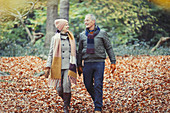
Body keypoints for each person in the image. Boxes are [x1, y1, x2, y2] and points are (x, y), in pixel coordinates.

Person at [77, 14, 116, 113]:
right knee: (88, 84)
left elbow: (109, 47)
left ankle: (98, 107)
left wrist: (113, 61)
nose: (85, 22)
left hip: (99, 62)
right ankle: (98, 100)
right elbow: (79, 51)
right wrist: (79, 65)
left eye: (88, 20)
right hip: (87, 63)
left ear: (93, 22)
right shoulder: (82, 35)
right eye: (85, 20)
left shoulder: (102, 33)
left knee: (98, 84)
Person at [45, 19, 77, 113]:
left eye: (67, 25)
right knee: (59, 89)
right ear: (61, 27)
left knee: (66, 85)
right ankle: (66, 101)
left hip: (69, 66)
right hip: (57, 66)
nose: (68, 26)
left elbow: (75, 52)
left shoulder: (71, 37)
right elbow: (51, 53)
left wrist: (79, 65)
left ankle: (66, 107)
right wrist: (48, 66)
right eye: (66, 25)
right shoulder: (55, 38)